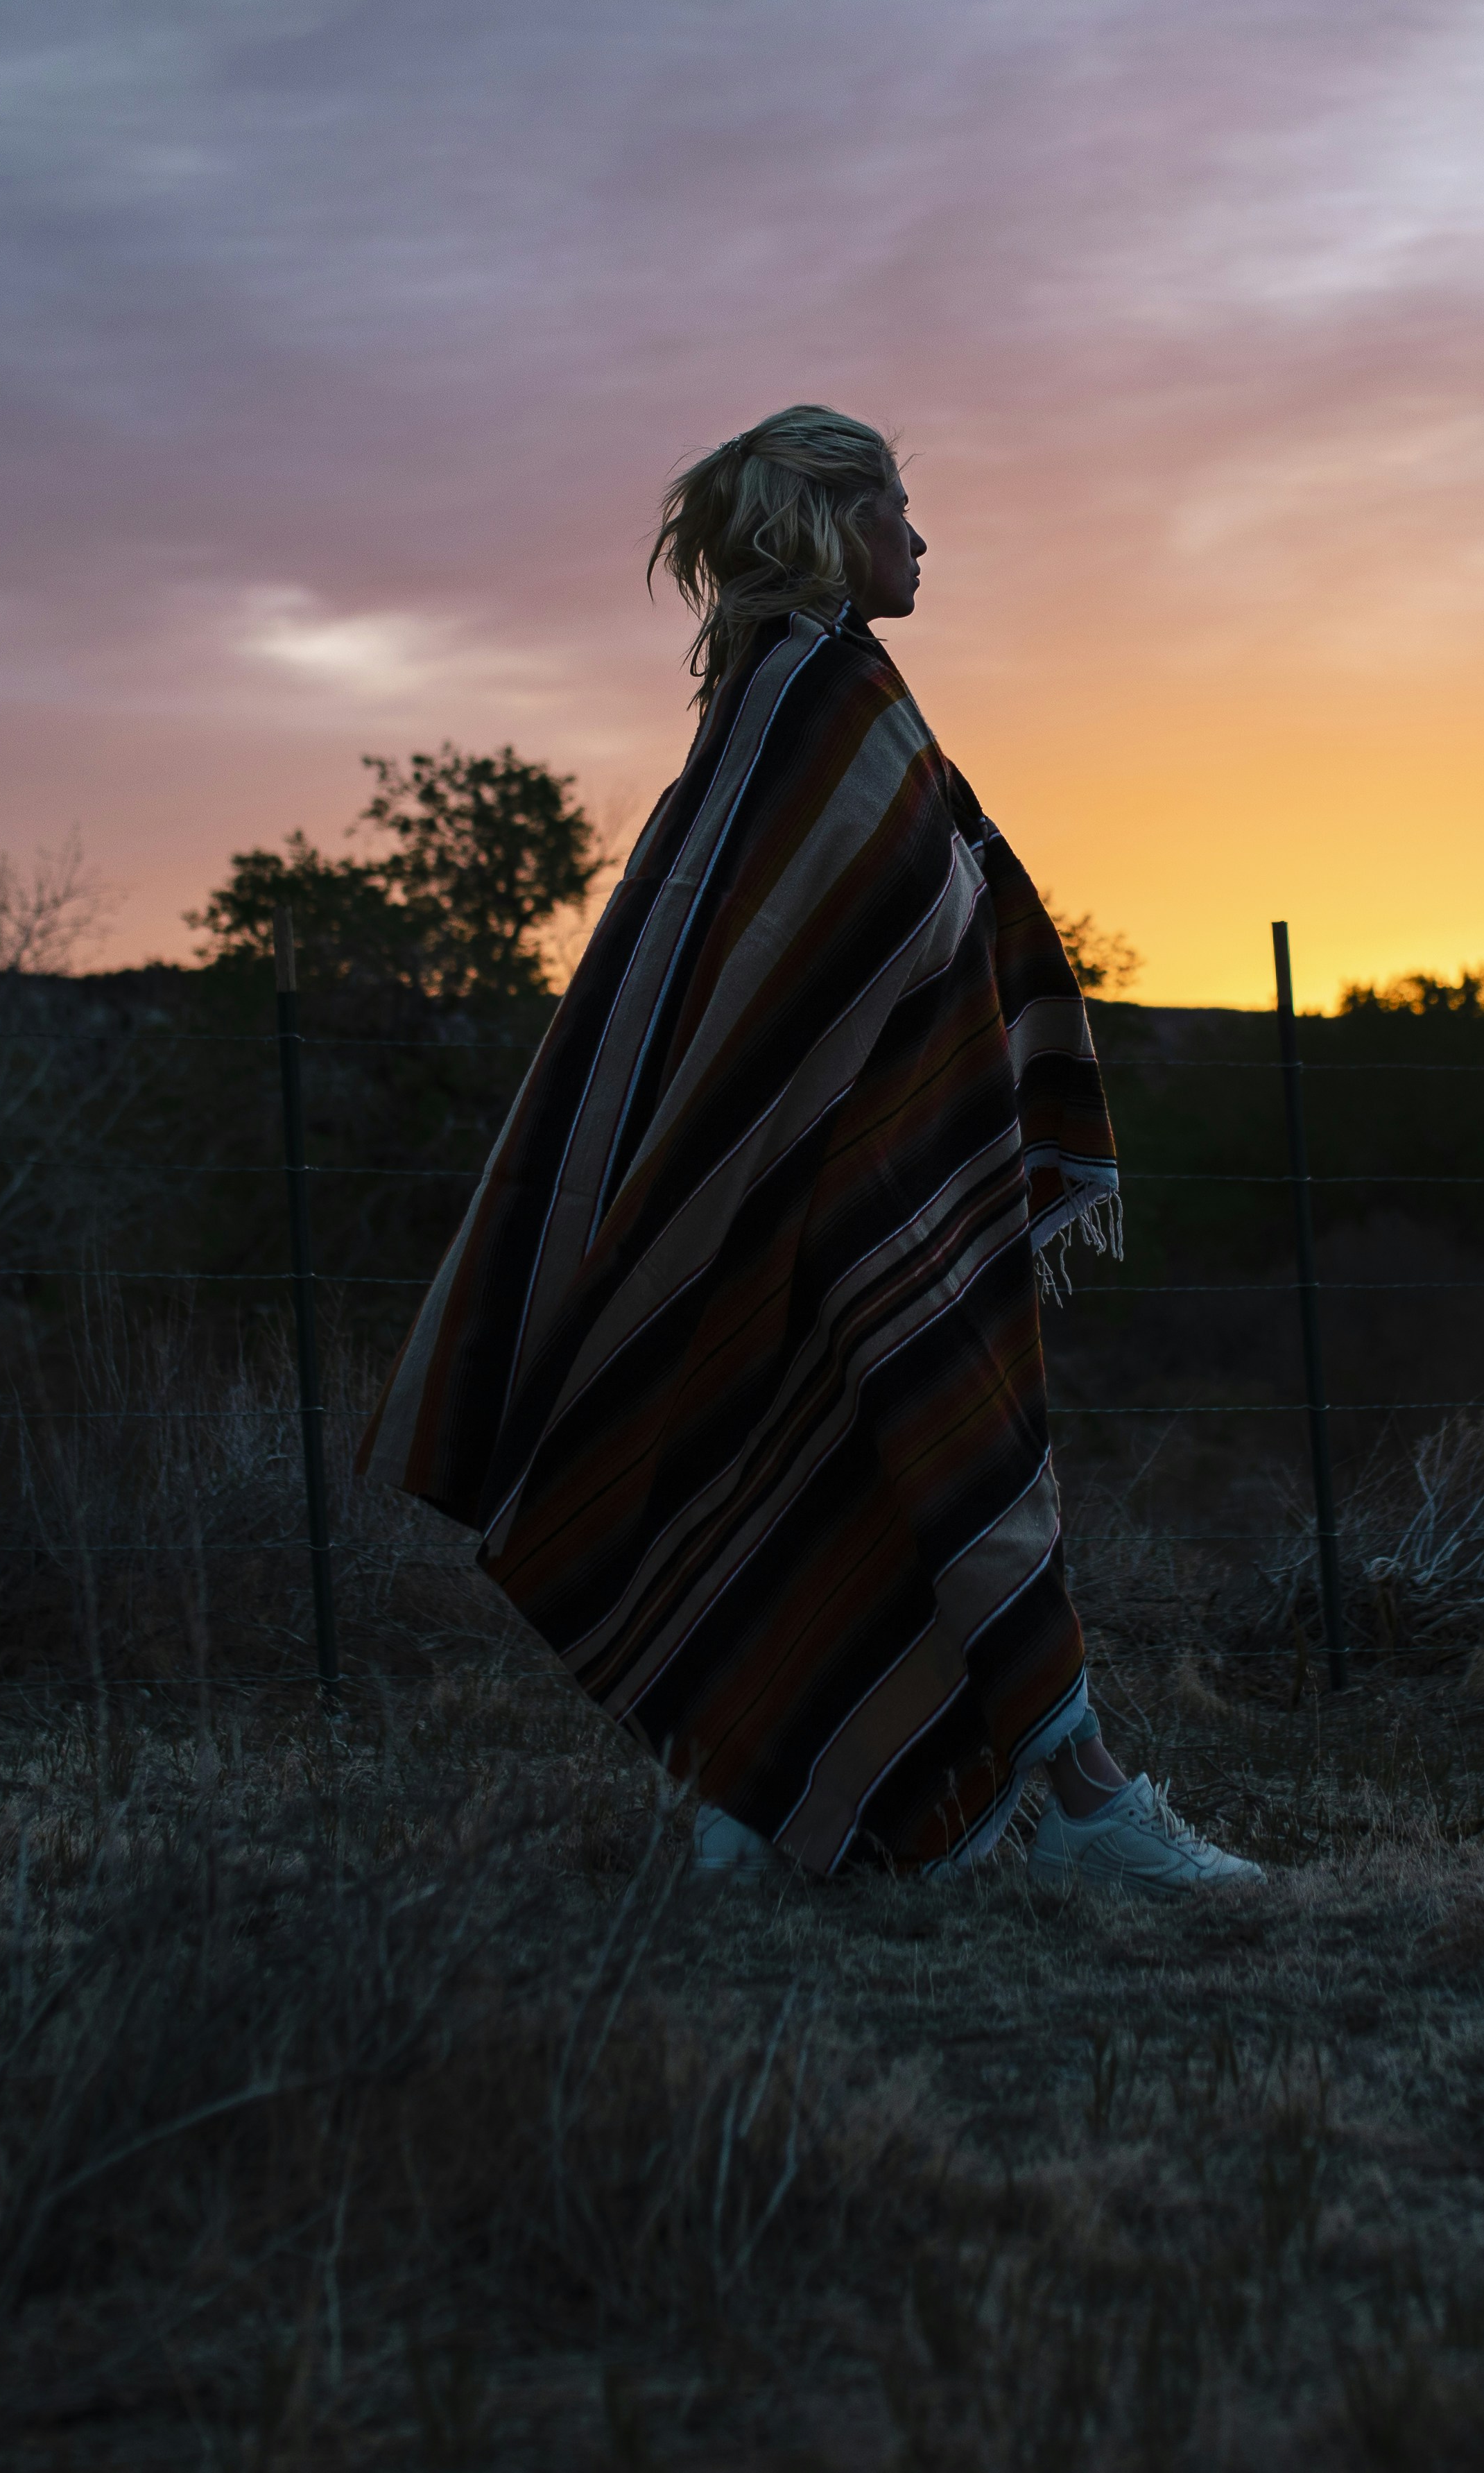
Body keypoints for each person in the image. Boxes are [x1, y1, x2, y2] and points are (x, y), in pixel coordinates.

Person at [364, 406, 1258, 1891]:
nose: (921, 535)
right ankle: (1091, 1813)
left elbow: (862, 920)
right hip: (860, 1169)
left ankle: (765, 1799)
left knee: (833, 1449)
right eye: (898, 505)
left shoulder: (781, 696)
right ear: (836, 520)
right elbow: (865, 924)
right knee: (954, 1444)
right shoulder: (821, 695)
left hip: (826, 1166)